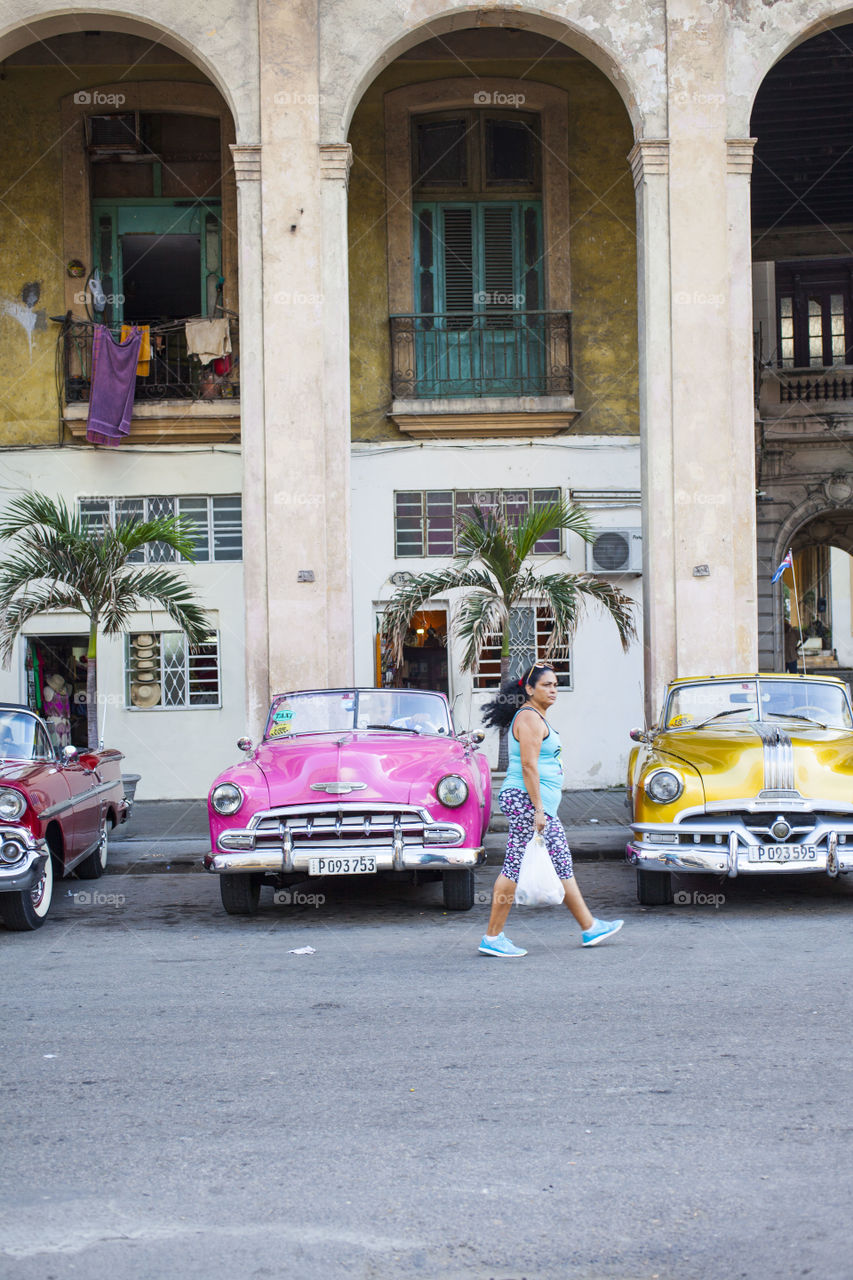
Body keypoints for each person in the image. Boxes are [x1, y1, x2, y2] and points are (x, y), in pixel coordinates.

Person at [478, 662, 624, 957]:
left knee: (560, 861)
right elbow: (529, 766)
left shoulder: (536, 717)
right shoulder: (530, 718)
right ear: (529, 689)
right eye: (547, 685)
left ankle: (590, 926)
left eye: (556, 684)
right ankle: (492, 938)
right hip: (526, 801)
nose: (553, 689)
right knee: (514, 865)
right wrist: (539, 810)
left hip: (532, 803)